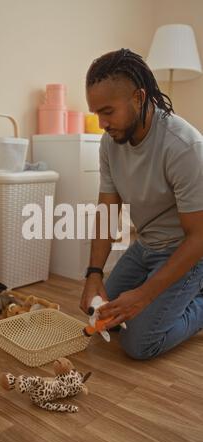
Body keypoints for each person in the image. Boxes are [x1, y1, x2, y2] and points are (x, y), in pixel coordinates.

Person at [80, 48, 203, 360]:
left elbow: (198, 237)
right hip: (147, 246)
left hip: (185, 250)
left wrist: (145, 296)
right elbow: (107, 211)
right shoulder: (110, 144)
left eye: (108, 111)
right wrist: (93, 274)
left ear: (138, 98)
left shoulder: (184, 146)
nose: (102, 123)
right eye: (97, 114)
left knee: (138, 344)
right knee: (107, 316)